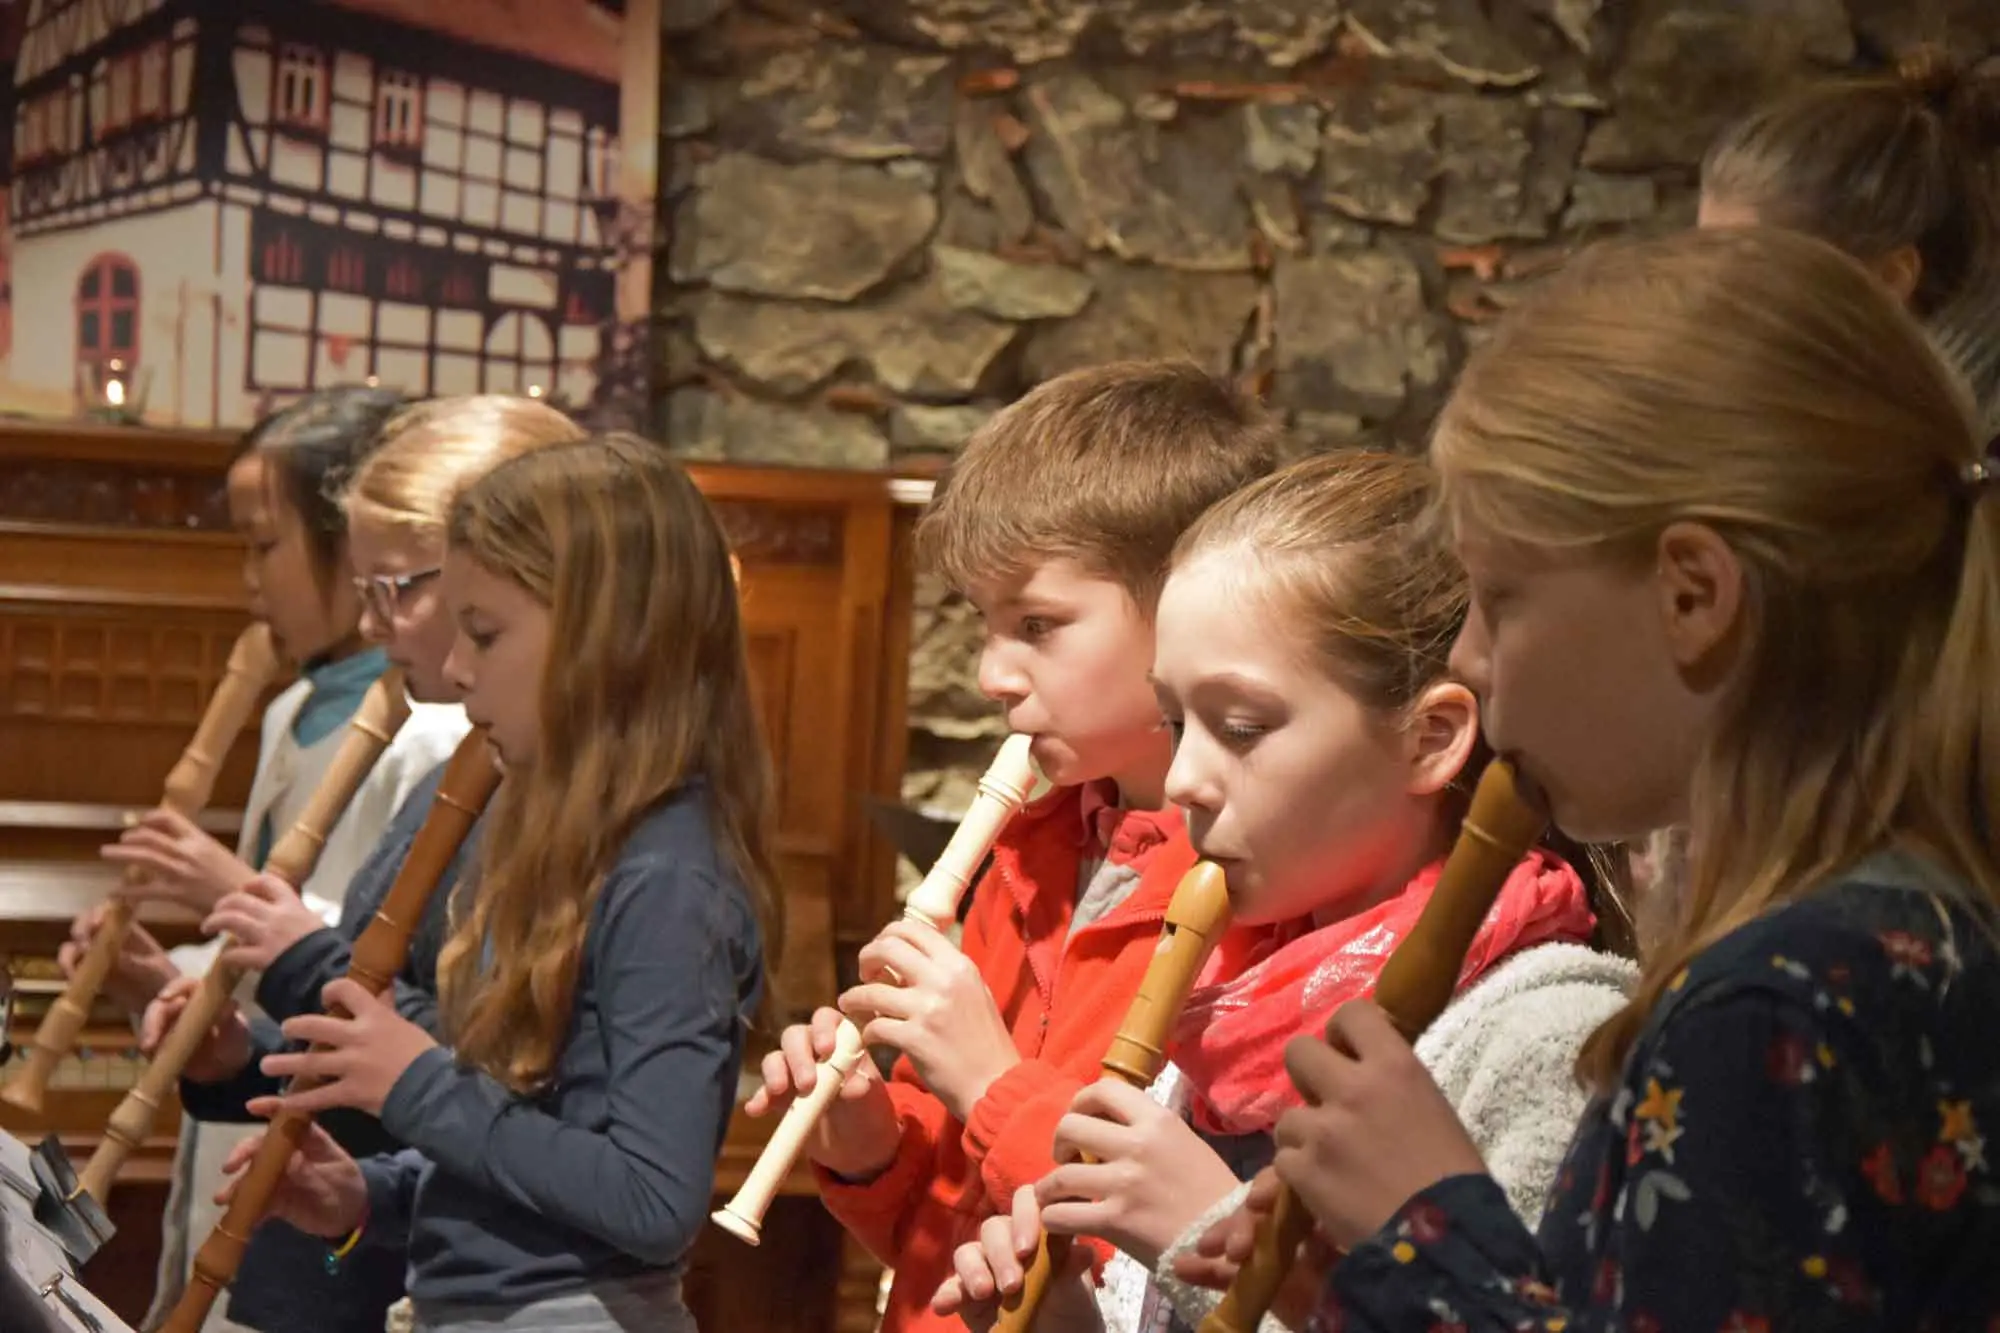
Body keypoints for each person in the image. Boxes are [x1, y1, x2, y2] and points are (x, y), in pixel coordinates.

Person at [1196, 227, 2000, 1329]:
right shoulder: (1916, 933)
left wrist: (1425, 1220)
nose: (1470, 657)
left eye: (1502, 597)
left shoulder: (1779, 1002)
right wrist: (1358, 1289)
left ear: (1690, 595)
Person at [934, 454, 1634, 1332]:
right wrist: (1067, 1316)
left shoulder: (1546, 1040)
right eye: (1177, 723)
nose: (1184, 778)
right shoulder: (1229, 1011)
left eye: (1240, 728)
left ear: (1431, 738)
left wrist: (1197, 1226)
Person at [742, 361, 1282, 1333]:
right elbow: (932, 1235)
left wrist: (992, 1082)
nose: (993, 672)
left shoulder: (1262, 888)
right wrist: (865, 1140)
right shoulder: (1031, 847)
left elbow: (1170, 1270)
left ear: (1188, 610)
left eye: (1037, 625)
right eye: (984, 624)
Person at [217, 434, 780, 1332]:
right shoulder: (557, 836)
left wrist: (414, 1082)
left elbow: (652, 1197)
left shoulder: (670, 874)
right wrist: (368, 1196)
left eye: (485, 633)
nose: (458, 668)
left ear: (613, 639)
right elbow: (530, 1144)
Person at [137, 395, 585, 1333]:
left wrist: (296, 951)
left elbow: (493, 1058)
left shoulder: (512, 779)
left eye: (405, 589)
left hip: (446, 1276)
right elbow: (394, 1035)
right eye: (367, 587)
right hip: (358, 1226)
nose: (382, 624)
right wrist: (241, 1058)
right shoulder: (466, 761)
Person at [60, 387, 469, 1332]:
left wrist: (226, 891)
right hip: (267, 1112)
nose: (249, 577)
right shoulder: (292, 706)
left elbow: (387, 972)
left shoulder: (434, 738)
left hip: (356, 1163)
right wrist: (171, 976)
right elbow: (287, 947)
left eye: (266, 543)